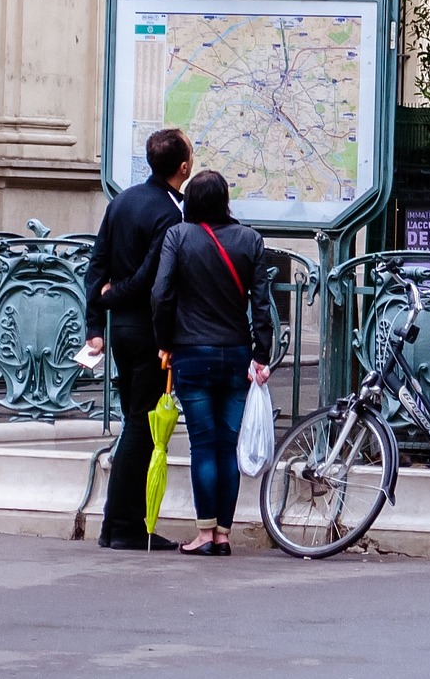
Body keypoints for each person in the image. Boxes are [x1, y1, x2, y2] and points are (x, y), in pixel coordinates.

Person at [152, 169, 274, 556]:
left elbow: (160, 293)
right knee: (227, 447)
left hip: (191, 353)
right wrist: (261, 354)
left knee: (203, 446)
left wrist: (165, 340)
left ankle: (204, 533)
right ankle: (223, 533)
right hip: (237, 354)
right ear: (225, 201)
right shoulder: (250, 239)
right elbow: (262, 304)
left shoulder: (178, 236)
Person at [84, 127, 191, 551]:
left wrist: (96, 323)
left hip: (120, 334)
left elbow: (97, 265)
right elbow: (153, 279)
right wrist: (114, 300)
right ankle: (124, 525)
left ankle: (116, 527)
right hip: (149, 332)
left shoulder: (123, 200)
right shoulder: (170, 213)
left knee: (136, 421)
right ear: (184, 167)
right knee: (140, 427)